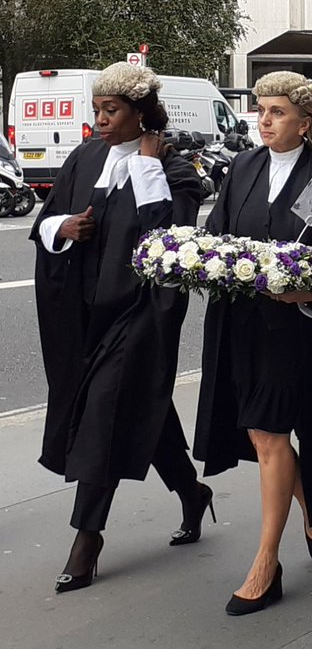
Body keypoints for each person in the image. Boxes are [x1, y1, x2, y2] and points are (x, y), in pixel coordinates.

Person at [31, 63, 208, 594]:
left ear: (141, 114)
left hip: (139, 313)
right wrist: (62, 226)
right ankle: (192, 492)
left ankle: (87, 537)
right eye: (97, 111)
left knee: (106, 412)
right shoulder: (86, 156)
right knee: (143, 407)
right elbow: (47, 217)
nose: (101, 121)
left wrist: (149, 167)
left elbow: (171, 241)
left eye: (111, 111)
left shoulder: (175, 170)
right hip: (84, 312)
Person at [193, 72, 312, 616]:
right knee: (257, 431)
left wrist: (306, 292)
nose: (264, 121)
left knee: (268, 433)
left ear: (305, 123)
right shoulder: (243, 167)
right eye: (261, 110)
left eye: (277, 112)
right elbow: (217, 237)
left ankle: (266, 565)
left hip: (291, 333)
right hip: (239, 326)